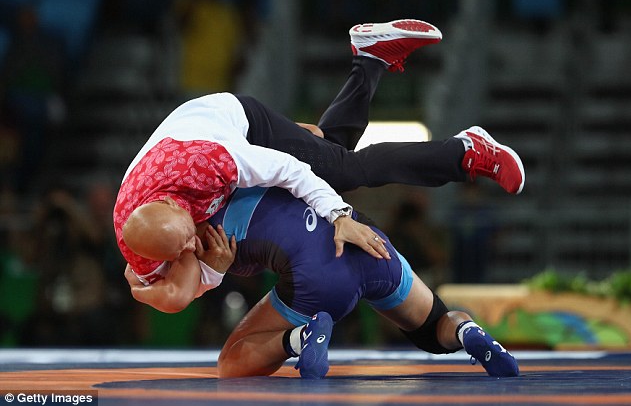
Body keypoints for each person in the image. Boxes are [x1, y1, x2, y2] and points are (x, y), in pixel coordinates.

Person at [116, 19, 525, 310]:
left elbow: (293, 171)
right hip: (196, 135)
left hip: (233, 123)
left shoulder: (210, 164)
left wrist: (340, 215)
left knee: (344, 171)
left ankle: (465, 152)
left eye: (187, 238)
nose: (192, 245)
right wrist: (192, 277)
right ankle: (371, 58)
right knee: (329, 152)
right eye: (184, 247)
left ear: (172, 206)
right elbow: (175, 297)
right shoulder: (137, 236)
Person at [126, 186, 520, 379]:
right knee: (435, 327)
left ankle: (301, 339)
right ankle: (467, 331)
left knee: (230, 363)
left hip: (316, 275)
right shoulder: (242, 171)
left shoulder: (195, 242)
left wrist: (145, 283)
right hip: (363, 235)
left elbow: (180, 292)